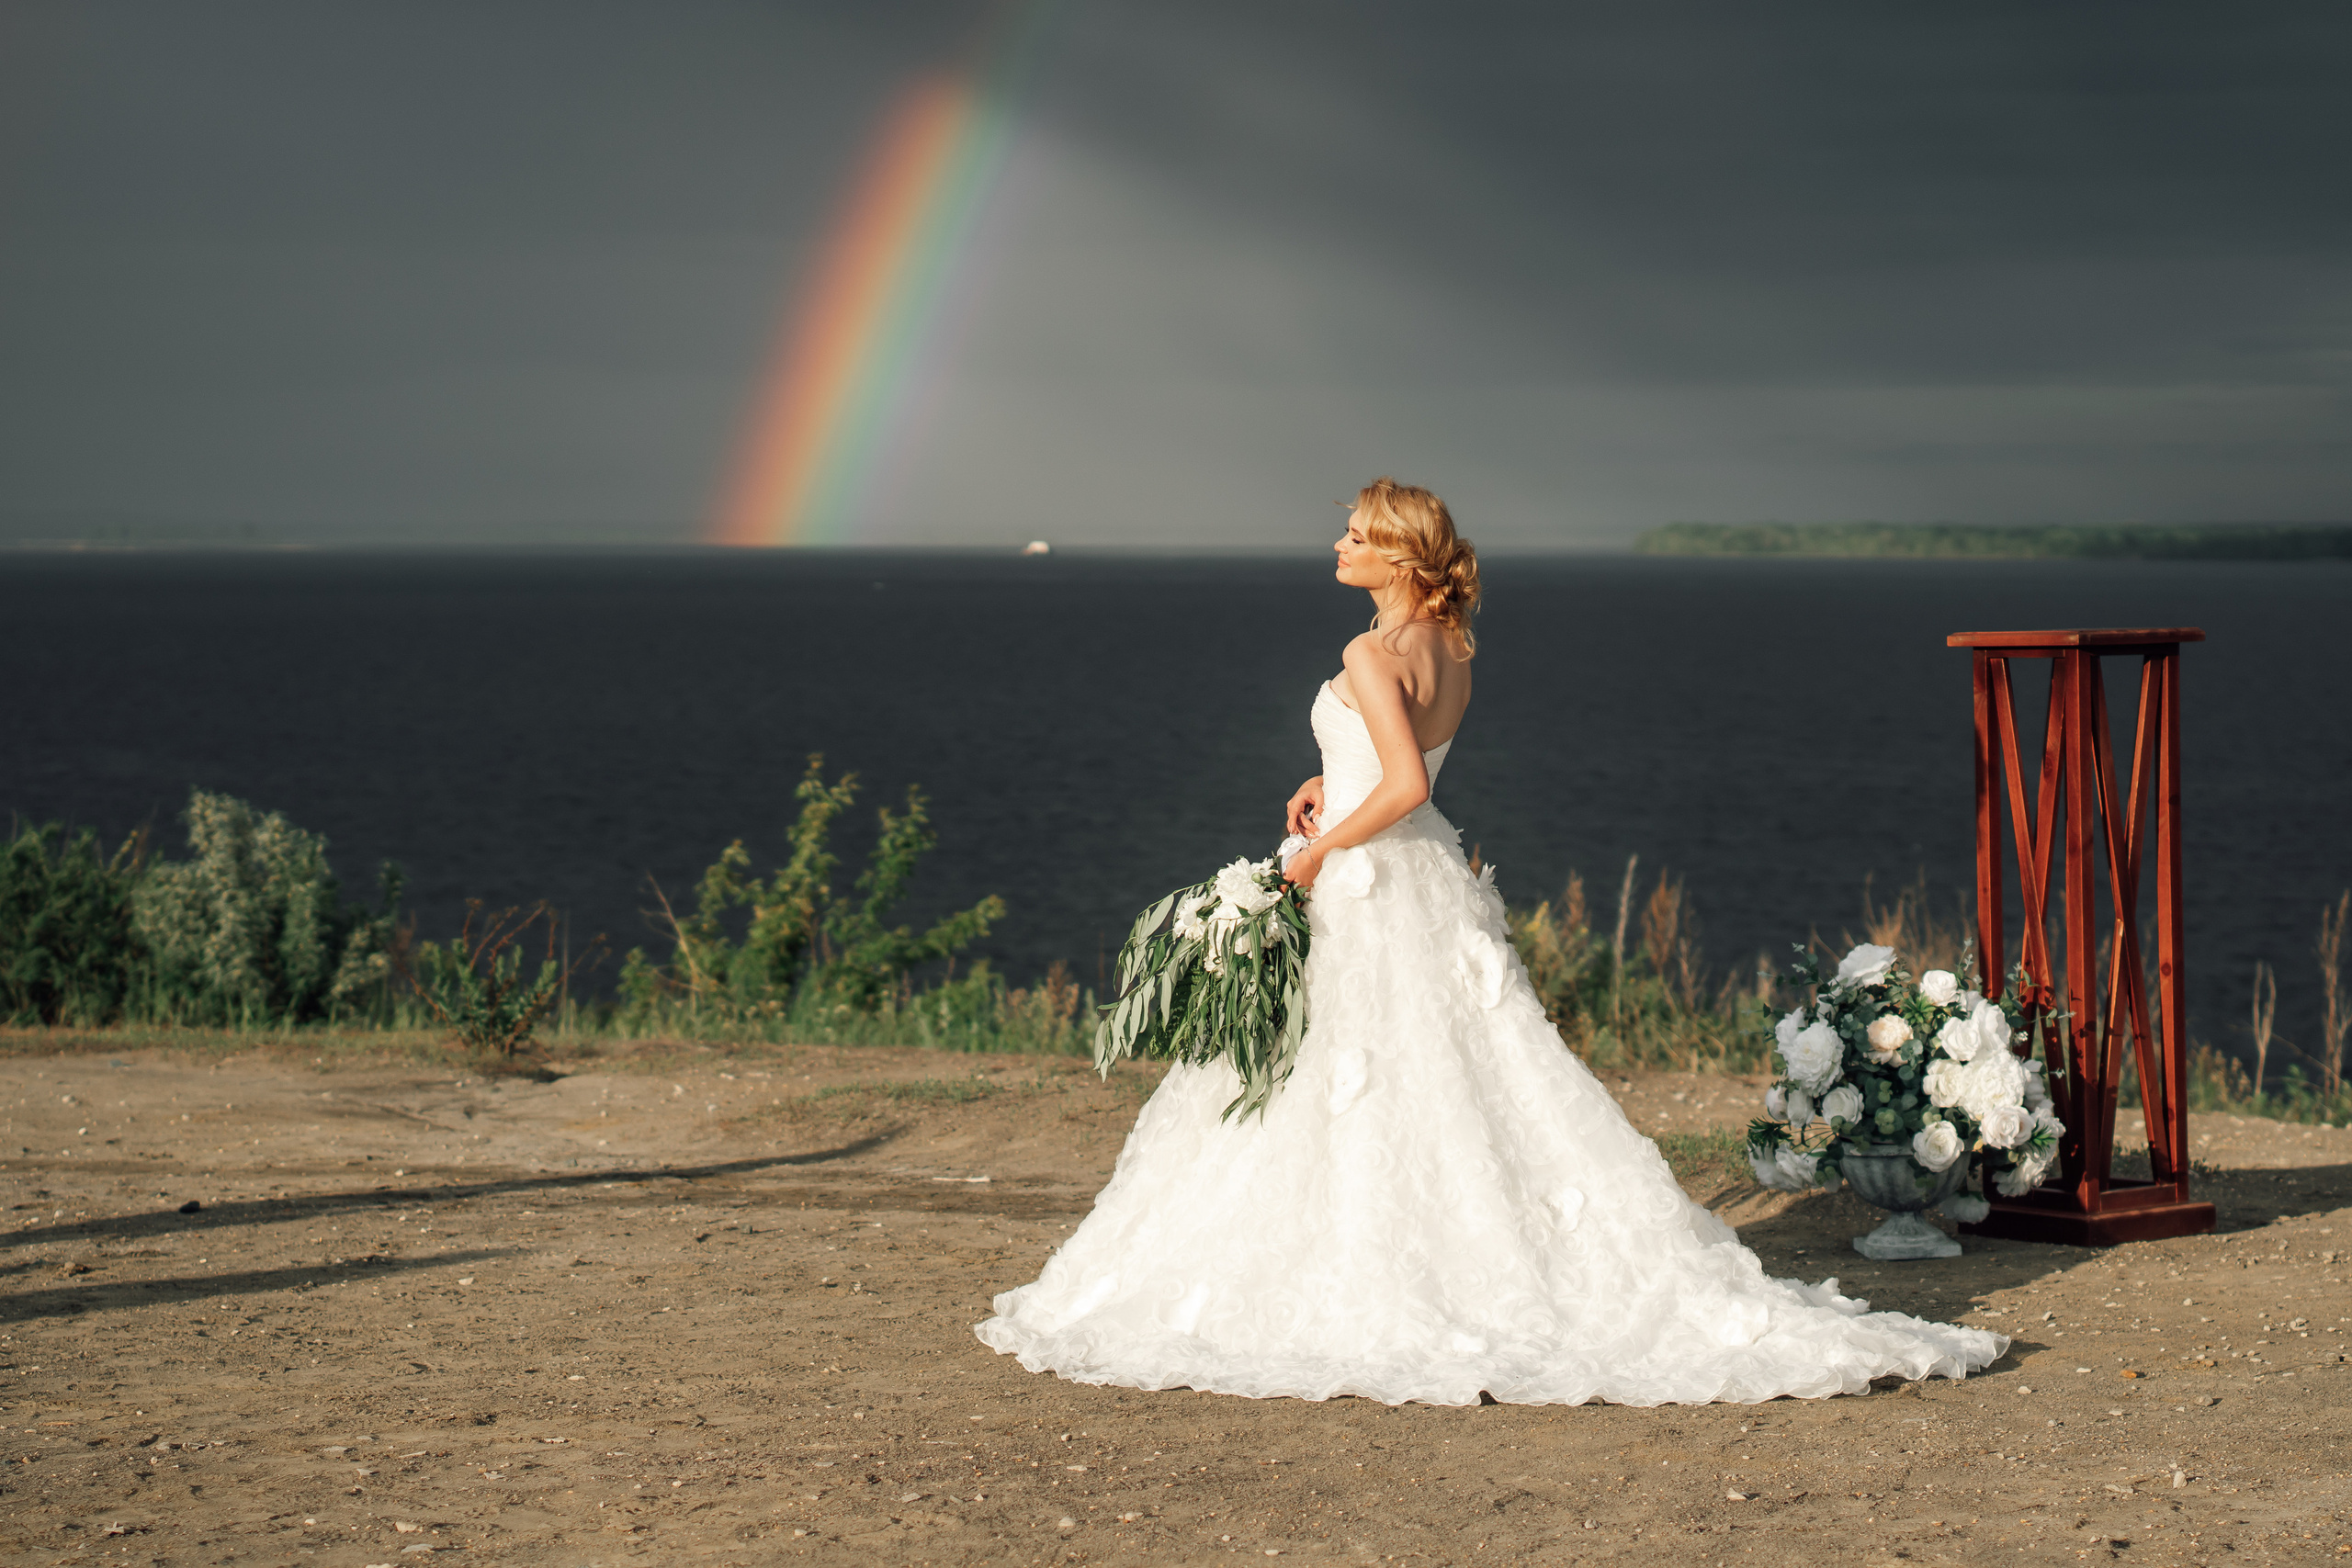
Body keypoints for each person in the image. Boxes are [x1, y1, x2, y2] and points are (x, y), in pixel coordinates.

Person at [974, 478, 2006, 1405]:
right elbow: (1405, 766)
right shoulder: (1452, 646)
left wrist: (1312, 852)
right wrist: (1327, 783)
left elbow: (1407, 783)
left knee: (1344, 1071)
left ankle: (1377, 1266)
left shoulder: (1369, 650)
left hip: (1373, 877)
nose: (1337, 545)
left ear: (1399, 557)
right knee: (1446, 1073)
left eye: (1355, 535)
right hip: (1421, 869)